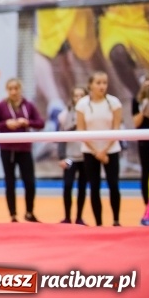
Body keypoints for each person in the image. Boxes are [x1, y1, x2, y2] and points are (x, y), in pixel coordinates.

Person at [0, 78, 45, 223]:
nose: (14, 91)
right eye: (11, 88)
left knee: (30, 182)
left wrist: (27, 122)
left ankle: (29, 212)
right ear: (7, 90)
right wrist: (5, 123)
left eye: (16, 88)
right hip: (7, 149)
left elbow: (40, 123)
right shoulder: (1, 106)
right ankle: (12, 215)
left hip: (25, 148)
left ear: (21, 89)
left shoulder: (28, 106)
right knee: (10, 182)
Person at [76, 71, 122, 227]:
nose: (102, 86)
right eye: (98, 83)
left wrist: (105, 150)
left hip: (111, 150)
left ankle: (116, 220)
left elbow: (117, 128)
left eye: (105, 83)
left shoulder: (114, 102)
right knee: (94, 187)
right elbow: (81, 130)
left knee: (113, 185)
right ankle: (99, 224)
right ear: (90, 85)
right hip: (90, 151)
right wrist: (96, 151)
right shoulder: (82, 104)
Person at [57, 86, 88, 225]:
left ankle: (79, 217)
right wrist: (61, 157)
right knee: (68, 185)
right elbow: (61, 138)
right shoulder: (64, 115)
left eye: (82, 95)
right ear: (72, 98)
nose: (79, 98)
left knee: (82, 186)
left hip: (85, 156)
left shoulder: (90, 113)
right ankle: (67, 217)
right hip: (70, 157)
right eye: (76, 96)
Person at [132, 73, 149, 205]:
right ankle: (147, 208)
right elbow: (136, 123)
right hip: (145, 142)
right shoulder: (137, 100)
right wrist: (145, 107)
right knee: (146, 173)